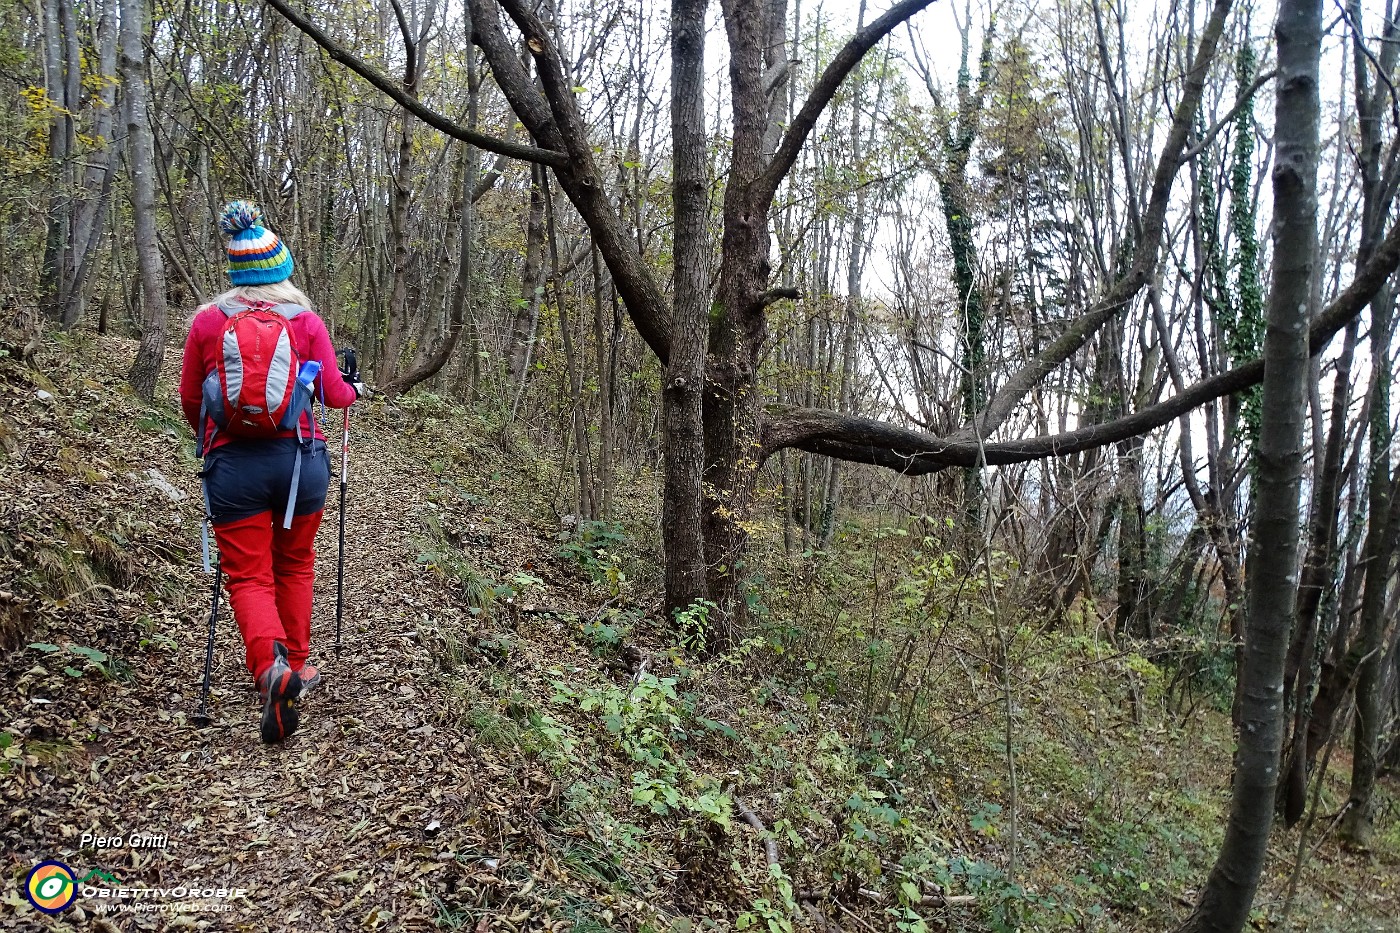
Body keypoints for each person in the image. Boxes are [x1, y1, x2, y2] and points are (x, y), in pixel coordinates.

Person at [178, 200, 364, 743]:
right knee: (296, 563)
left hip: (233, 466)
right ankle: (298, 664)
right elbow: (334, 393)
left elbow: (191, 398)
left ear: (235, 274)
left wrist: (211, 442)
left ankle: (269, 669)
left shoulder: (209, 321)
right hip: (301, 463)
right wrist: (353, 385)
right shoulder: (304, 321)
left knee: (248, 574)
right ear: (282, 271)